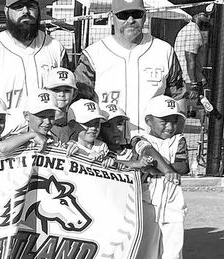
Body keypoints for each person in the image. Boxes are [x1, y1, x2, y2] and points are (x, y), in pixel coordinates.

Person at [75, 0, 186, 137]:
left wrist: (174, 139)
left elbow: (178, 97)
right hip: (107, 144)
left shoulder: (164, 51)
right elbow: (79, 103)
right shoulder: (93, 54)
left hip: (154, 143)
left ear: (145, 16)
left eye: (136, 14)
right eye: (123, 15)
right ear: (112, 17)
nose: (131, 20)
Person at [0, 0, 69, 137]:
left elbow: (69, 97)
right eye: (18, 7)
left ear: (38, 9)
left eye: (30, 6)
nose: (25, 11)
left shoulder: (55, 48)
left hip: (50, 138)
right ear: (6, 11)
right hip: (6, 140)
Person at [135, 95, 192, 259]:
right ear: (149, 120)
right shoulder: (139, 139)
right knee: (147, 256)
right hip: (148, 201)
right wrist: (162, 167)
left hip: (174, 203)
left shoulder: (179, 139)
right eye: (163, 120)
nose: (170, 125)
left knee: (173, 255)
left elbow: (182, 167)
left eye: (174, 120)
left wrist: (152, 166)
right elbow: (145, 153)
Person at [174, 3, 212, 116]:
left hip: (184, 79)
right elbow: (190, 60)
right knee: (204, 112)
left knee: (182, 113)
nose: (209, 18)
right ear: (197, 15)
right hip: (189, 82)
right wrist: (194, 85)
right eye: (206, 15)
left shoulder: (187, 29)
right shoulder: (194, 33)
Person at [64, 99, 113, 168]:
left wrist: (108, 160)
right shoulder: (70, 147)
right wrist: (82, 155)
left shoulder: (102, 146)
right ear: (72, 124)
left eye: (96, 123)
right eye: (87, 123)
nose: (93, 128)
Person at [45, 67, 77, 143]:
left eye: (67, 90)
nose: (61, 94)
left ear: (74, 93)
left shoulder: (79, 122)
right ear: (45, 91)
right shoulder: (35, 120)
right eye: (56, 90)